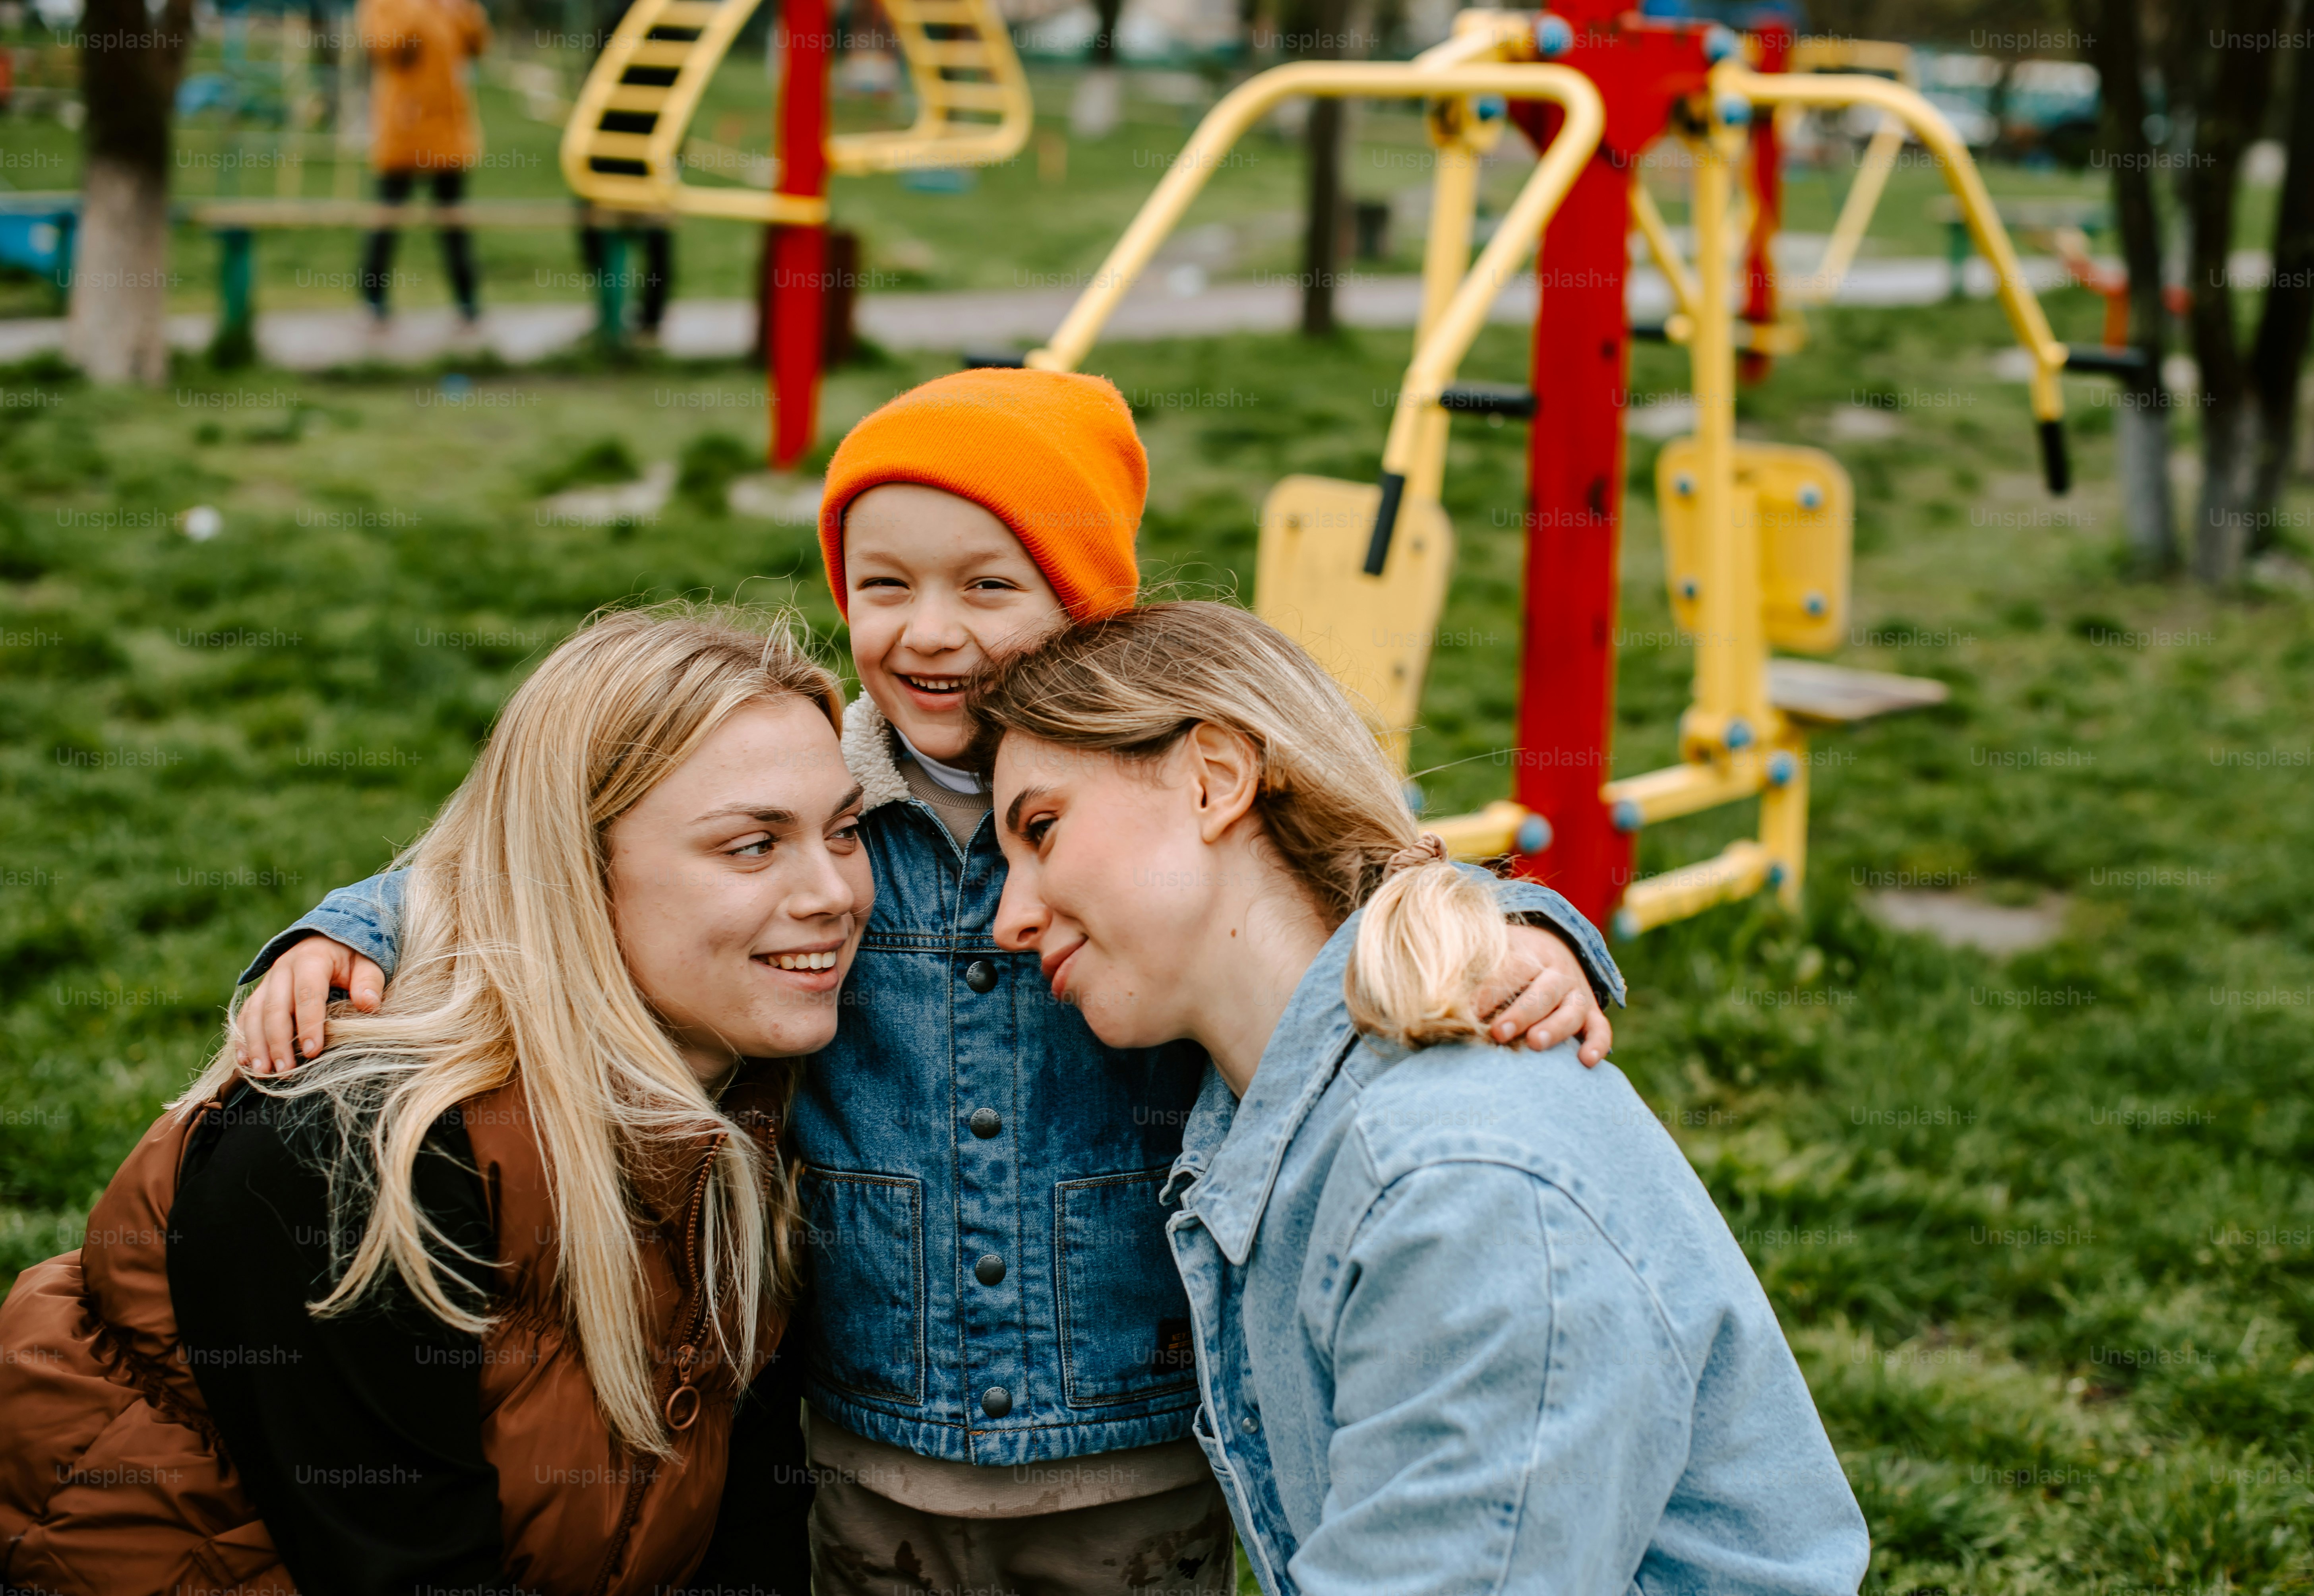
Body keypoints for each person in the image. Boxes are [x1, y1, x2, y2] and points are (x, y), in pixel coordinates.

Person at [222, 369, 1614, 1596]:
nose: (927, 632)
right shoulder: (818, 784)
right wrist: (353, 929)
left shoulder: (1150, 808)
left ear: (1085, 607)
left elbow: (1365, 861)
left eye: (986, 587)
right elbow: (534, 841)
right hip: (868, 1440)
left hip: (1130, 1439)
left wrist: (1530, 929)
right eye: (883, 587)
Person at [969, 600, 1874, 1594]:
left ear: (1214, 778)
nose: (1009, 920)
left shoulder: (1453, 1183)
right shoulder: (1279, 1117)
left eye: (1042, 829)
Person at [0, 610, 845, 1596]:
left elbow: (747, 1541)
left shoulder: (750, 1115)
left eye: (847, 829)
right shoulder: (360, 1155)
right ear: (575, 869)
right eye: (753, 845)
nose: (833, 892)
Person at [357, 0, 489, 326]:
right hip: (403, 129)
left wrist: (465, 10)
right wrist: (416, 7)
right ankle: (373, 297)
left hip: (448, 129)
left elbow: (478, 45)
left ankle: (467, 299)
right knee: (388, 217)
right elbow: (387, 47)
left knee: (454, 221)